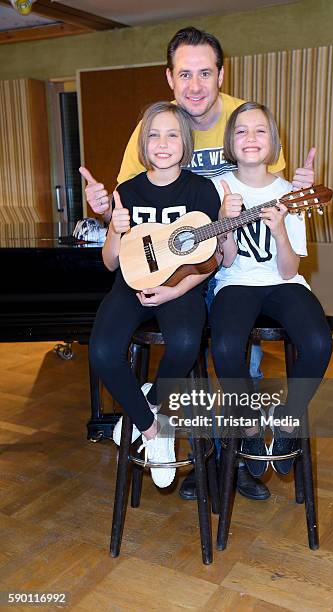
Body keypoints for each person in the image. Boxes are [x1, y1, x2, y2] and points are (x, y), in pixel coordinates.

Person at [80, 26, 315, 502]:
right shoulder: (155, 126)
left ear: (220, 74)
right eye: (184, 74)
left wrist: (299, 184)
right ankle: (194, 451)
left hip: (229, 261)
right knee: (191, 351)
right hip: (166, 262)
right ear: (170, 78)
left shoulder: (241, 117)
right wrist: (105, 210)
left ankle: (240, 457)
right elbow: (130, 211)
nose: (195, 85)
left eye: (204, 73)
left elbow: (274, 184)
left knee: (232, 354)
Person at [88, 101, 227, 488]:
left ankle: (148, 404)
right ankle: (154, 428)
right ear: (143, 143)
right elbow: (110, 263)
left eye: (171, 134)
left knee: (185, 344)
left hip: (180, 288)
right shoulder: (127, 191)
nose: (162, 143)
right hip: (129, 285)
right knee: (101, 351)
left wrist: (174, 291)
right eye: (153, 134)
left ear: (185, 142)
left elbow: (212, 258)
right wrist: (114, 229)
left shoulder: (202, 190)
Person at [210, 101, 333, 478]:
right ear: (230, 141)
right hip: (235, 283)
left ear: (274, 141)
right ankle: (248, 422)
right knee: (225, 347)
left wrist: (280, 230)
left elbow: (289, 268)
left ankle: (287, 420)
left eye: (260, 130)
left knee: (318, 343)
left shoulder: (292, 192)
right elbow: (225, 261)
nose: (250, 137)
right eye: (241, 130)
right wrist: (223, 222)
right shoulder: (216, 188)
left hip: (283, 282)